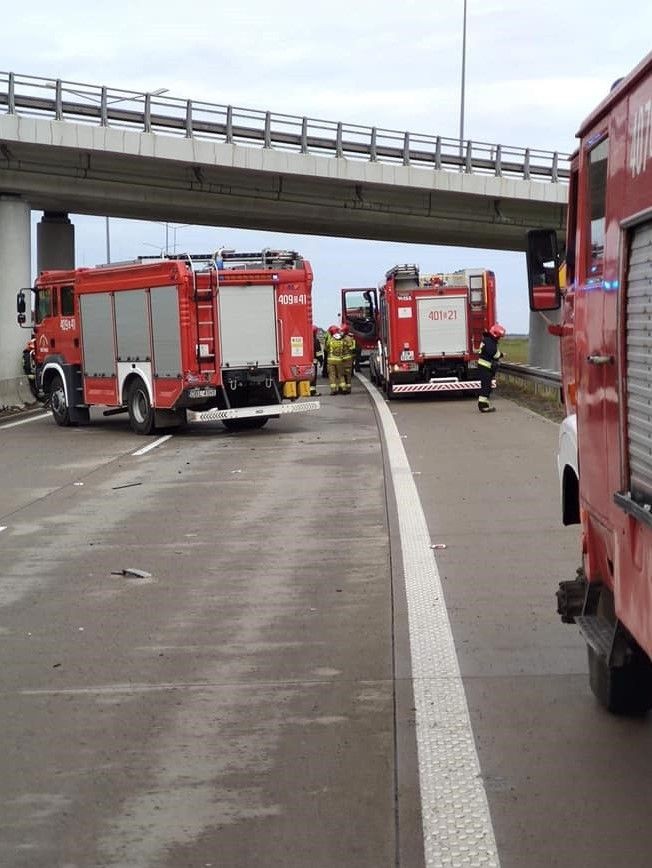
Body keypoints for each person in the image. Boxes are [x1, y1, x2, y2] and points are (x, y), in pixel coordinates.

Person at [477, 323, 506, 413]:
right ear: (495, 334)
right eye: (499, 336)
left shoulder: (487, 340)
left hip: (484, 366)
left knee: (486, 386)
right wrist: (502, 354)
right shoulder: (490, 341)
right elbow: (494, 353)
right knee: (486, 387)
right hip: (485, 367)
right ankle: (483, 406)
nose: (499, 338)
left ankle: (484, 404)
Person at [326, 325, 345, 396]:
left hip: (331, 360)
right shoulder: (341, 340)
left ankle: (333, 390)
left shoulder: (330, 340)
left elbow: (326, 348)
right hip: (339, 360)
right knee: (341, 375)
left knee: (332, 375)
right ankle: (343, 388)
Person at [340, 323, 356, 394]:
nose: (341, 333)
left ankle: (345, 389)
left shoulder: (343, 339)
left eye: (342, 331)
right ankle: (346, 388)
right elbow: (352, 348)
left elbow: (352, 348)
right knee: (345, 374)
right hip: (347, 360)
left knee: (344, 374)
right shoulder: (349, 338)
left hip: (344, 360)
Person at [310, 326, 323, 396]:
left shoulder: (305, 339)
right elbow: (319, 353)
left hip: (305, 362)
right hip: (314, 362)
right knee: (313, 377)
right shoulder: (316, 341)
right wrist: (321, 361)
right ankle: (312, 391)